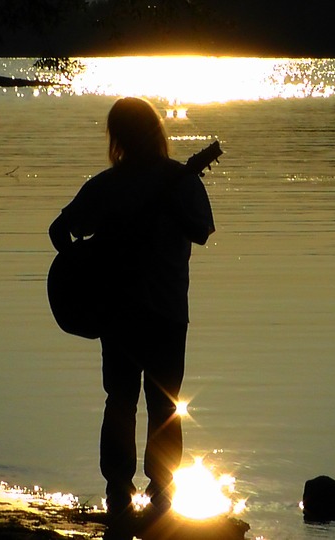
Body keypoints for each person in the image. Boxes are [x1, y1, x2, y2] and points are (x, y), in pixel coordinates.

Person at [49, 97, 216, 519]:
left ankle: (119, 492)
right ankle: (160, 495)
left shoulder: (107, 185)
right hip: (165, 311)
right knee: (164, 405)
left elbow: (59, 230)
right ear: (156, 132)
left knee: (121, 400)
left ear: (118, 138)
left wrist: (81, 262)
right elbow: (201, 232)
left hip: (120, 311)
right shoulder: (179, 180)